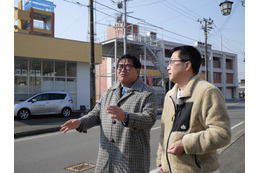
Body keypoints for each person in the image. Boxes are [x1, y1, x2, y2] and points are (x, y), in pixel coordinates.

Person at [60, 54, 157, 173]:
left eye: (127, 66)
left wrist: (126, 117)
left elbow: (150, 118)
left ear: (137, 71)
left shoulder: (147, 93)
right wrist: (80, 122)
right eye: (120, 66)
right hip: (107, 160)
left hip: (131, 160)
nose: (122, 69)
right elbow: (96, 114)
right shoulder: (110, 91)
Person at [156, 46, 231, 173]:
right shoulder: (170, 95)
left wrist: (185, 144)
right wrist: (161, 162)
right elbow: (164, 133)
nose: (168, 67)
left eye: (172, 62)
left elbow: (222, 133)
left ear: (187, 65)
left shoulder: (207, 92)